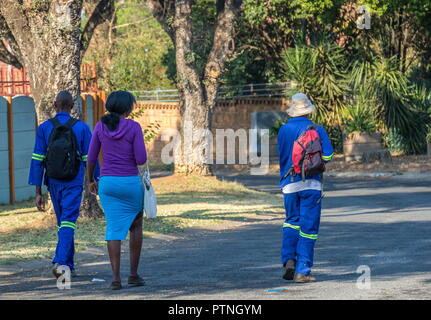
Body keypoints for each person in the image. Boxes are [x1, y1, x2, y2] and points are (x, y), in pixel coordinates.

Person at [28, 90, 96, 278]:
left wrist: (38, 191)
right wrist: (92, 180)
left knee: (64, 223)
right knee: (67, 222)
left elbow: (37, 159)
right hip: (74, 182)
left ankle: (68, 264)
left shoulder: (44, 128)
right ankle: (62, 262)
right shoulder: (82, 128)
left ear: (54, 105)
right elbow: (89, 159)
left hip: (53, 182)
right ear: (72, 106)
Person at [86, 90, 147, 290]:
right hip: (130, 183)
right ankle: (134, 274)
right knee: (136, 225)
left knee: (113, 228)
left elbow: (91, 157)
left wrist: (90, 181)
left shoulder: (100, 126)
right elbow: (141, 159)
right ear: (128, 108)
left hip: (108, 184)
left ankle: (115, 279)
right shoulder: (134, 127)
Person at [277, 93, 334, 283]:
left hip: (289, 184)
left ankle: (289, 260)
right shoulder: (317, 129)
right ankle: (303, 270)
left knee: (291, 221)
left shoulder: (283, 130)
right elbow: (327, 156)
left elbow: (283, 157)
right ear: (308, 110)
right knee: (308, 227)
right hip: (312, 184)